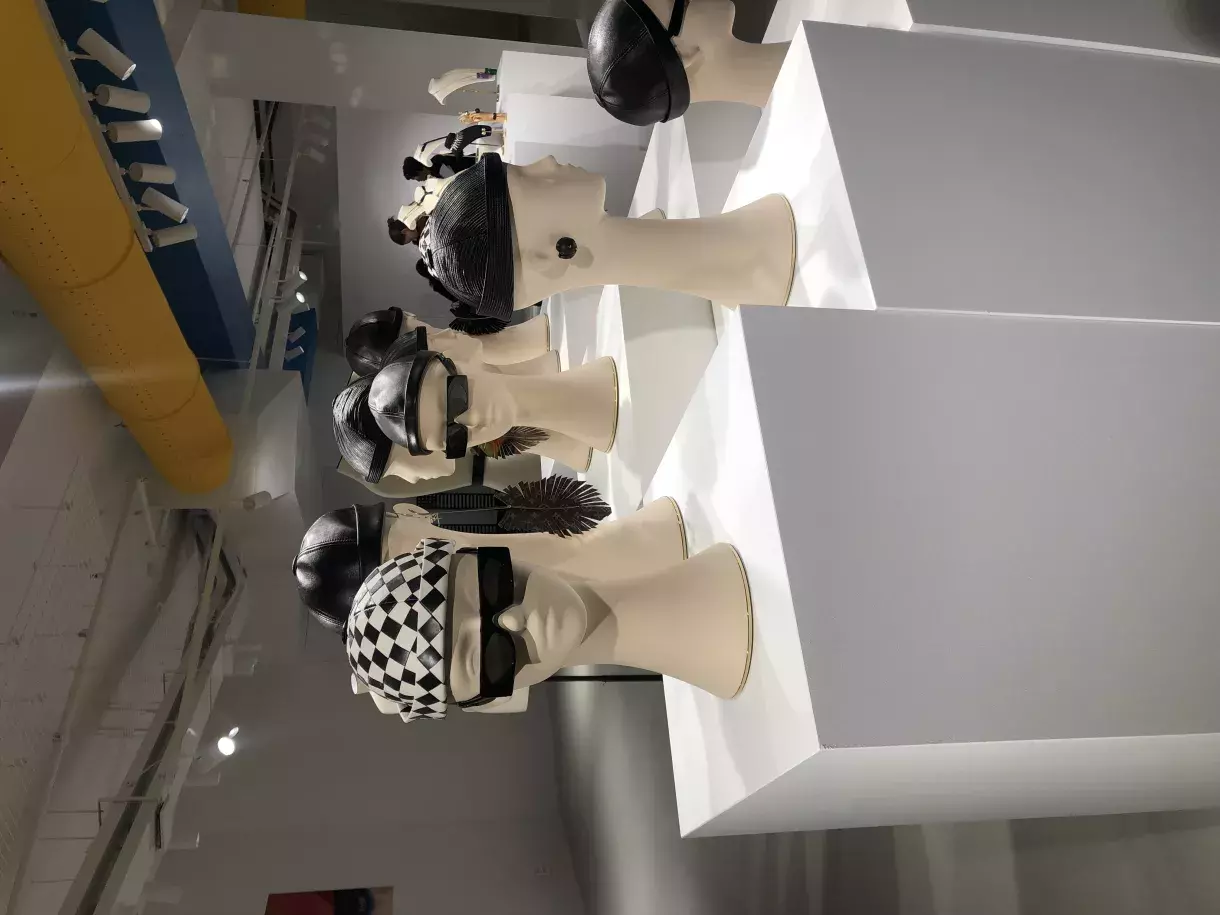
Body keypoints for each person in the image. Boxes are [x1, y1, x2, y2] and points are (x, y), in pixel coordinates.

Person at [402, 124, 492, 181]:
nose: (418, 181)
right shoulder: (434, 169)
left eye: (414, 178)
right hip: (477, 169)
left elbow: (454, 177)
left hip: (479, 165)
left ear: (419, 170)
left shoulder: (437, 166)